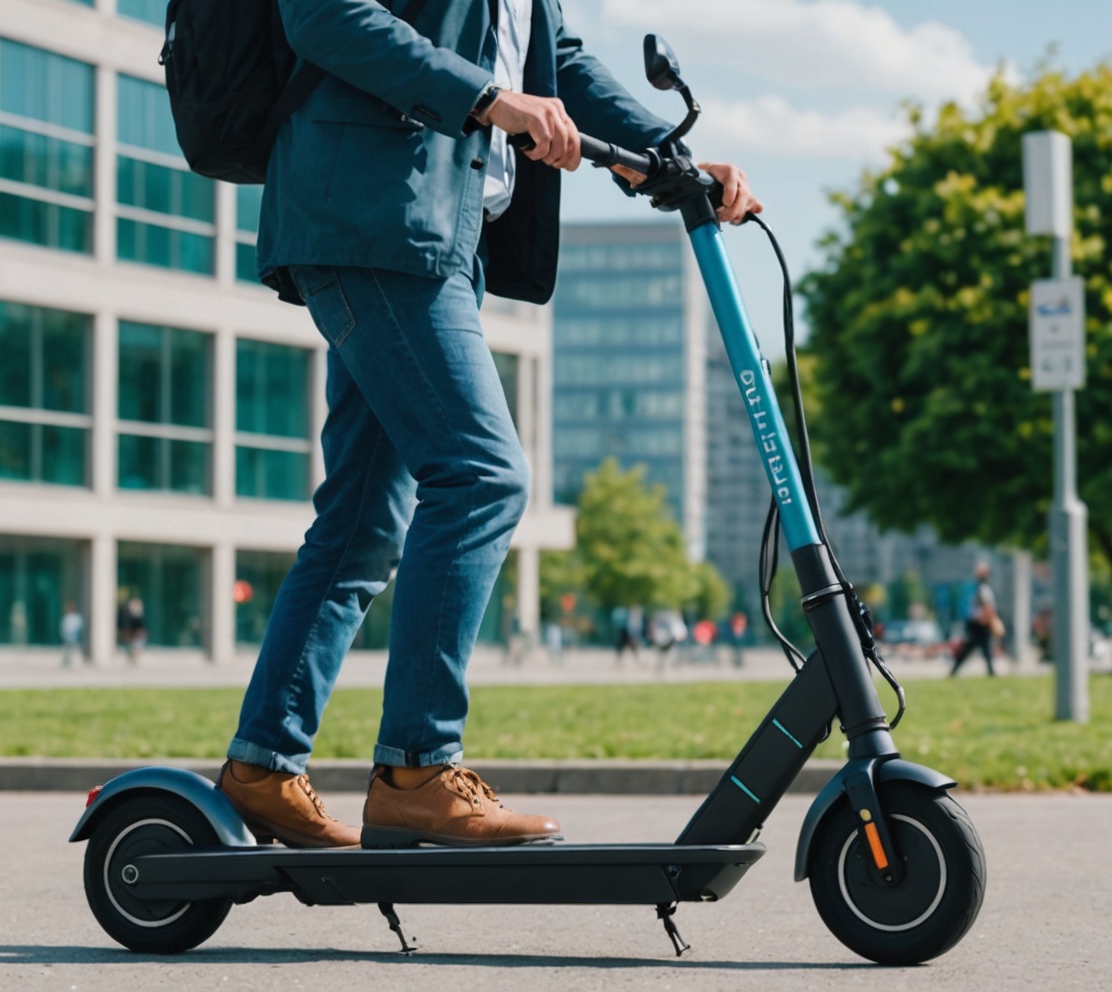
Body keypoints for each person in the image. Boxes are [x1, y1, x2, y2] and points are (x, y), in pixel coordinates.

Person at [216, 0, 763, 850]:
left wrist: (669, 156)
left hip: (435, 231)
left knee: (362, 521)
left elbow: (556, 59)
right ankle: (418, 768)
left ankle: (262, 765)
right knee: (481, 477)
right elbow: (326, 16)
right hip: (373, 218)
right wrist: (491, 99)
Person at [949, 562, 1002, 677]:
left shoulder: (982, 588)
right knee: (975, 648)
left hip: (979, 623)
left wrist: (985, 619)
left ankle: (990, 672)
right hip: (977, 623)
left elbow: (987, 606)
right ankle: (990, 672)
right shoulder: (981, 588)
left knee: (981, 648)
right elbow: (986, 606)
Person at [117, 597, 146, 665]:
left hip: (136, 635)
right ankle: (133, 659)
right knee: (132, 647)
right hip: (131, 635)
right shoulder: (127, 617)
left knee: (136, 647)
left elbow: (141, 629)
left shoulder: (138, 617)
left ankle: (134, 659)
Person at [59, 600, 86, 667]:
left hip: (75, 638)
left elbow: (79, 628)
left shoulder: (77, 618)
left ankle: (80, 663)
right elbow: (64, 628)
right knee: (67, 651)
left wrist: (79, 637)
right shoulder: (66, 617)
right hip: (68, 638)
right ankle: (66, 663)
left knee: (77, 651)